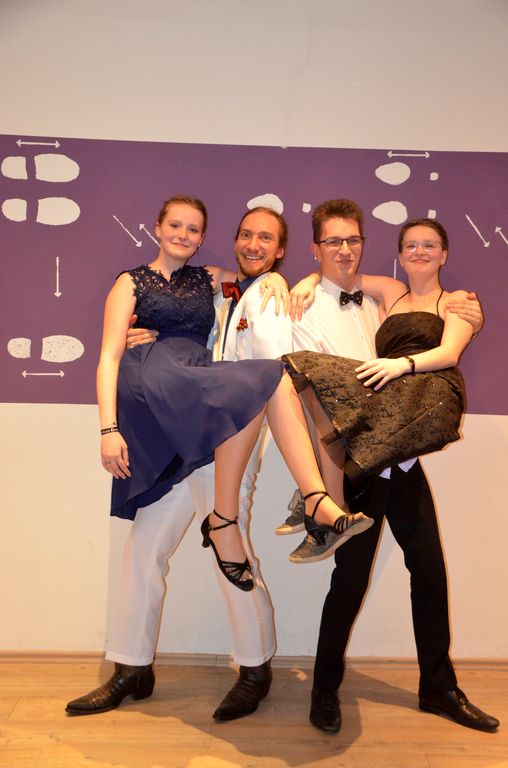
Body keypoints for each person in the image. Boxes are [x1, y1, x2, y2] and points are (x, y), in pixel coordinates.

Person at [66, 200, 372, 717]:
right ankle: (131, 667)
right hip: (172, 433)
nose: (254, 245)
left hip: (227, 438)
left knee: (228, 548)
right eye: (246, 235)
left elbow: (272, 350)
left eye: (267, 239)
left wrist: (290, 279)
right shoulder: (206, 287)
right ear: (158, 228)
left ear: (280, 250)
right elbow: (150, 346)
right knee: (142, 553)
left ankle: (254, 668)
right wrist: (144, 348)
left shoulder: (257, 291)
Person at [283, 200, 498, 734]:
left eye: (430, 245)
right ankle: (324, 691)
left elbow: (449, 353)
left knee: (429, 571)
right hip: (370, 458)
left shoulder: (457, 302)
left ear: (444, 253)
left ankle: (438, 689)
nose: (420, 251)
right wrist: (306, 278)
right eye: (410, 245)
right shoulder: (388, 292)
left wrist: (404, 360)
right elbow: (338, 271)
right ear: (399, 254)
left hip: (403, 457)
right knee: (350, 579)